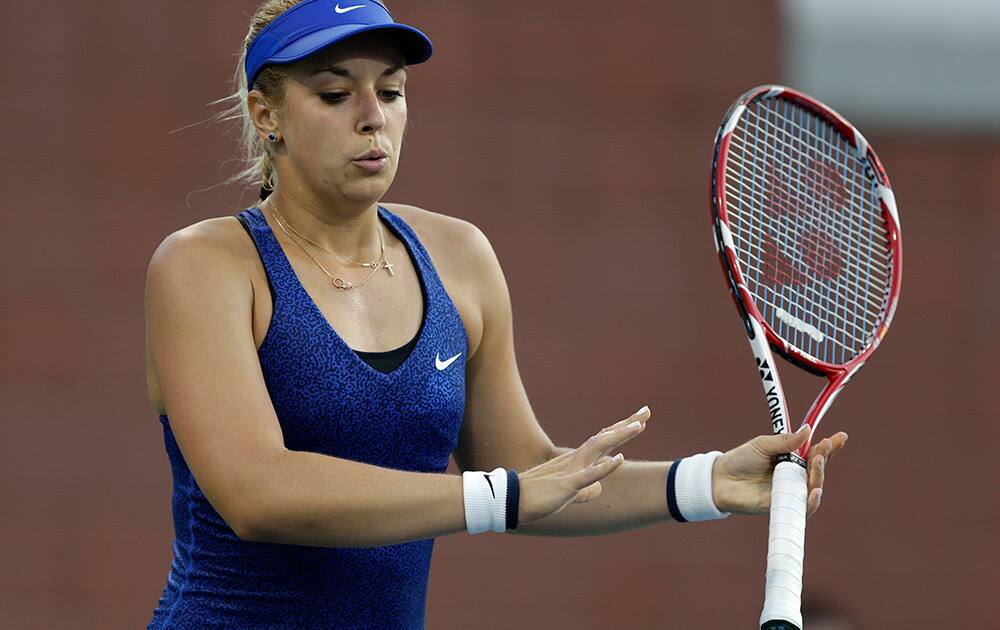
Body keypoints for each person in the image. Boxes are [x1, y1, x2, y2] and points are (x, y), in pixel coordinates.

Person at [144, 1, 848, 627]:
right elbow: (259, 494)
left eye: (391, 91)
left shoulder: (459, 258)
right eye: (335, 94)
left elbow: (534, 473)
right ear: (266, 115)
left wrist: (706, 481)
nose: (372, 116)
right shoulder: (205, 266)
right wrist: (498, 497)